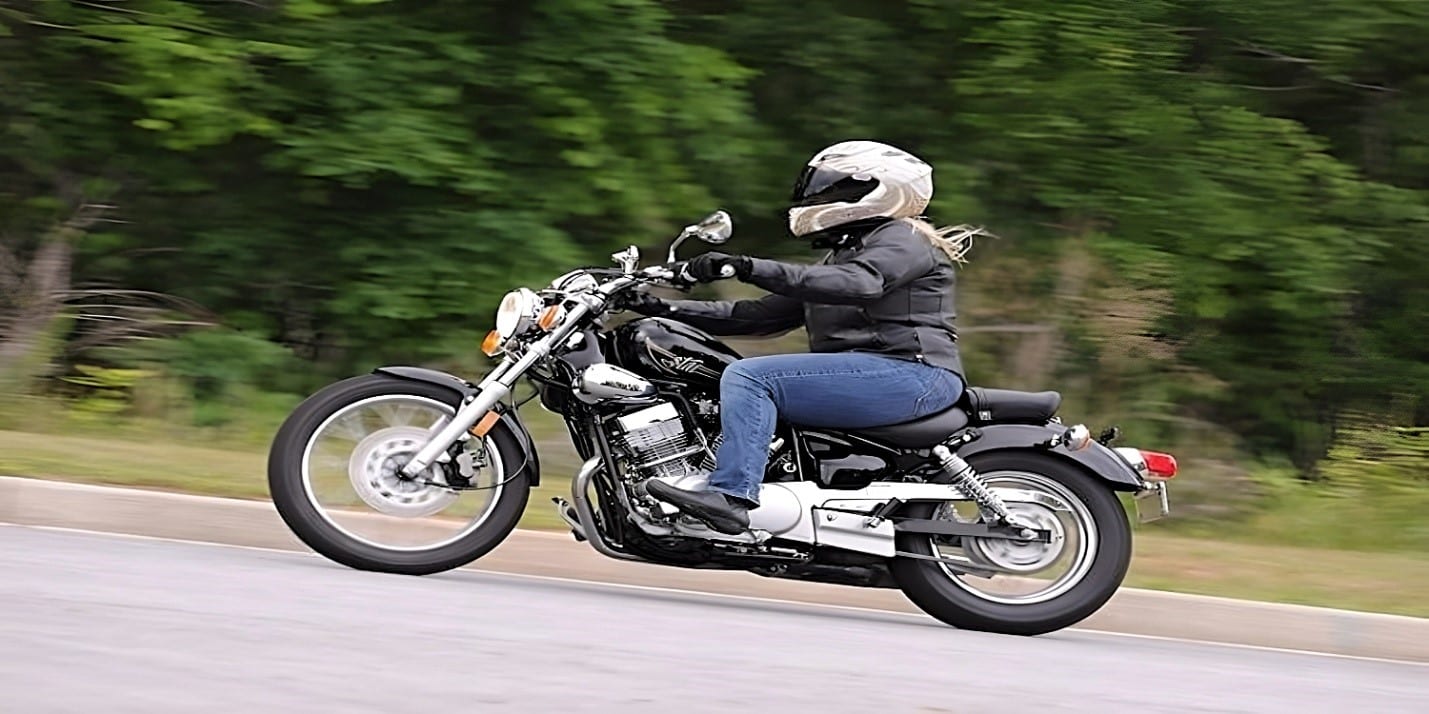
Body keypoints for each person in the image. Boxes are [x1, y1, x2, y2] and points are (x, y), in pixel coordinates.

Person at [631, 140, 981, 535]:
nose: (815, 195)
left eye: (832, 185)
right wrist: (659, 308)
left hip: (912, 371)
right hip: (881, 372)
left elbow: (861, 283)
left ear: (878, 188)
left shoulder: (900, 239)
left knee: (751, 377)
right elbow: (757, 316)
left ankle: (730, 497)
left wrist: (744, 267)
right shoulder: (843, 257)